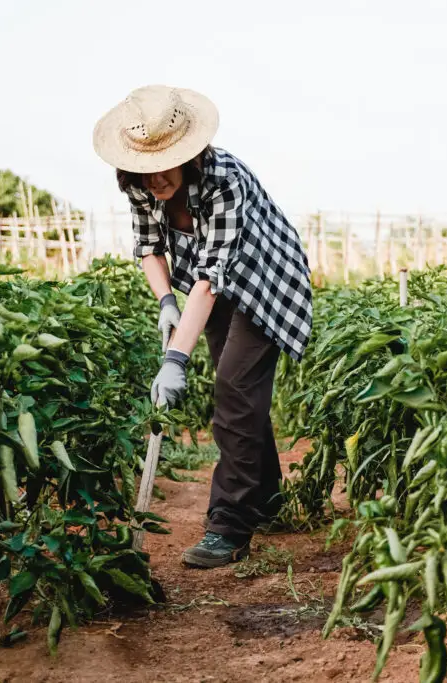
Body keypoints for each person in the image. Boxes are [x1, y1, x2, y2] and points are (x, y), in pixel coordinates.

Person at [92, 85, 313, 568]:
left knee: (234, 390)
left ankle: (230, 526)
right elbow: (148, 247)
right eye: (145, 168)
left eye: (164, 165)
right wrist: (167, 300)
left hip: (266, 280)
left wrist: (175, 360)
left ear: (189, 153)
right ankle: (267, 499)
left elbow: (213, 279)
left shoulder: (223, 180)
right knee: (239, 391)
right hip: (202, 285)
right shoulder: (135, 182)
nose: (154, 179)